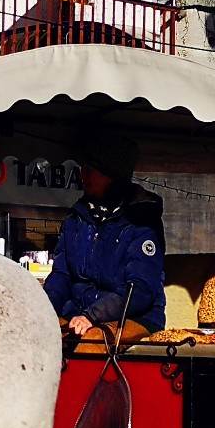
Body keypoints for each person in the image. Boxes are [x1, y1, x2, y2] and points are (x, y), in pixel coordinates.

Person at [44, 145, 166, 345]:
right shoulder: (76, 218)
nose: (82, 176)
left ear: (112, 175)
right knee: (36, 337)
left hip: (135, 317)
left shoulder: (142, 221)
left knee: (92, 344)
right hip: (78, 313)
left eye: (90, 170)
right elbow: (62, 275)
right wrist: (43, 309)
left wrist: (92, 316)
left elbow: (141, 289)